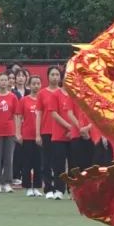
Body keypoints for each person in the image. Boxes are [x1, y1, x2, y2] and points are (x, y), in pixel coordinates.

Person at [39, 66, 74, 200]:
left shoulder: (74, 95)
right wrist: (68, 126)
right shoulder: (55, 94)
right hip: (58, 134)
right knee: (58, 163)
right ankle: (58, 189)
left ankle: (72, 189)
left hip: (73, 135)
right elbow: (53, 113)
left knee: (73, 164)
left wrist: (74, 129)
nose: (56, 77)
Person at [18, 74, 44, 196]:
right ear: (29, 85)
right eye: (33, 83)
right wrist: (18, 133)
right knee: (27, 163)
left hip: (40, 136)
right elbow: (19, 117)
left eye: (38, 83)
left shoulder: (43, 100)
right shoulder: (24, 100)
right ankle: (28, 187)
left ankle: (37, 187)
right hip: (27, 135)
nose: (36, 86)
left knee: (38, 163)